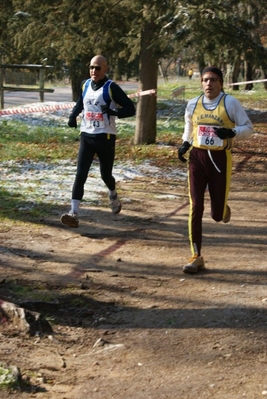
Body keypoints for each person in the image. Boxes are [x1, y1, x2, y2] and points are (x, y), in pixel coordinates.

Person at [178, 66, 253, 274]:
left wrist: (231, 131)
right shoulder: (193, 103)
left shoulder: (229, 103)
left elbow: (248, 128)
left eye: (212, 80)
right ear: (201, 83)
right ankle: (196, 255)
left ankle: (223, 209)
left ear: (220, 83)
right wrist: (185, 144)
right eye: (204, 80)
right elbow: (189, 127)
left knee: (216, 215)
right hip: (197, 158)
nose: (208, 84)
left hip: (220, 159)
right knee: (196, 206)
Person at [60, 55, 135, 228]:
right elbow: (81, 102)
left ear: (105, 69)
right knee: (80, 174)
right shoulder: (86, 84)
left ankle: (113, 193)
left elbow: (131, 108)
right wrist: (73, 116)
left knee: (105, 175)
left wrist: (113, 112)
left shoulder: (111, 88)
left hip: (105, 138)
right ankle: (73, 213)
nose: (94, 71)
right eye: (91, 67)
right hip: (87, 136)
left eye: (98, 68)